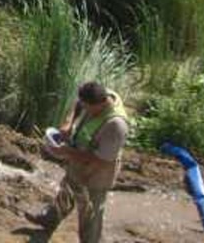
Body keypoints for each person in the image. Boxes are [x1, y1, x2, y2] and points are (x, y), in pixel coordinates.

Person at [26, 81, 129, 242]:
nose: (85, 110)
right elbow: (78, 105)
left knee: (90, 213)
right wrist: (69, 124)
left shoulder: (116, 126)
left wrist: (67, 152)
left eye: (88, 108)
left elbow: (101, 160)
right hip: (78, 157)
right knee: (67, 189)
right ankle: (50, 219)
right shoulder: (98, 95)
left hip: (98, 173)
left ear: (101, 103)